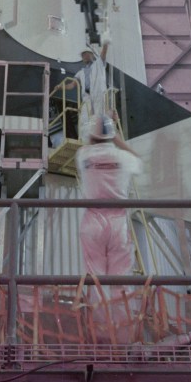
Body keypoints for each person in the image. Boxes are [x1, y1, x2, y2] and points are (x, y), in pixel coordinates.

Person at [76, 114, 142, 286]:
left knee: (94, 278)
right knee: (121, 280)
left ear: (91, 135)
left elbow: (89, 144)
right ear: (111, 135)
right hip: (118, 223)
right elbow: (139, 160)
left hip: (92, 223)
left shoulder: (83, 155)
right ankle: (120, 313)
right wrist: (116, 138)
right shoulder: (124, 158)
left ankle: (97, 312)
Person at [66, 39, 109, 140]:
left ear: (92, 55)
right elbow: (72, 85)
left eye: (86, 54)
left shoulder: (99, 63)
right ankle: (85, 140)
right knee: (85, 118)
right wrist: (61, 87)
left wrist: (106, 42)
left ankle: (101, 137)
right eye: (83, 55)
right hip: (87, 97)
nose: (84, 56)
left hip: (99, 94)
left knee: (99, 116)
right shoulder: (80, 73)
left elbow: (104, 52)